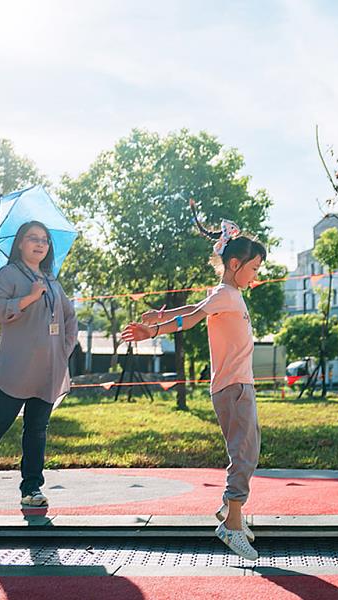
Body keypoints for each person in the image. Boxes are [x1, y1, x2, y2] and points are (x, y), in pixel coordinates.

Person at [121, 204, 265, 561]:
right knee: (243, 455)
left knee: (249, 451)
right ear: (235, 265)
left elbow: (190, 311)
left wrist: (162, 314)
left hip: (236, 385)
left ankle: (231, 512)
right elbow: (191, 320)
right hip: (234, 387)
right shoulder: (226, 295)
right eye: (254, 268)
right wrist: (153, 330)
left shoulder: (228, 295)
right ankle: (231, 525)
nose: (256, 275)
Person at [0, 221, 77, 510]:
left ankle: (32, 489)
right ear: (20, 244)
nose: (40, 244)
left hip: (47, 370)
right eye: (32, 238)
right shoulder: (7, 274)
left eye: (45, 240)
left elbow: (70, 317)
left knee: (37, 430)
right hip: (15, 368)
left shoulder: (52, 280)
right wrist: (29, 298)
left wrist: (63, 349)